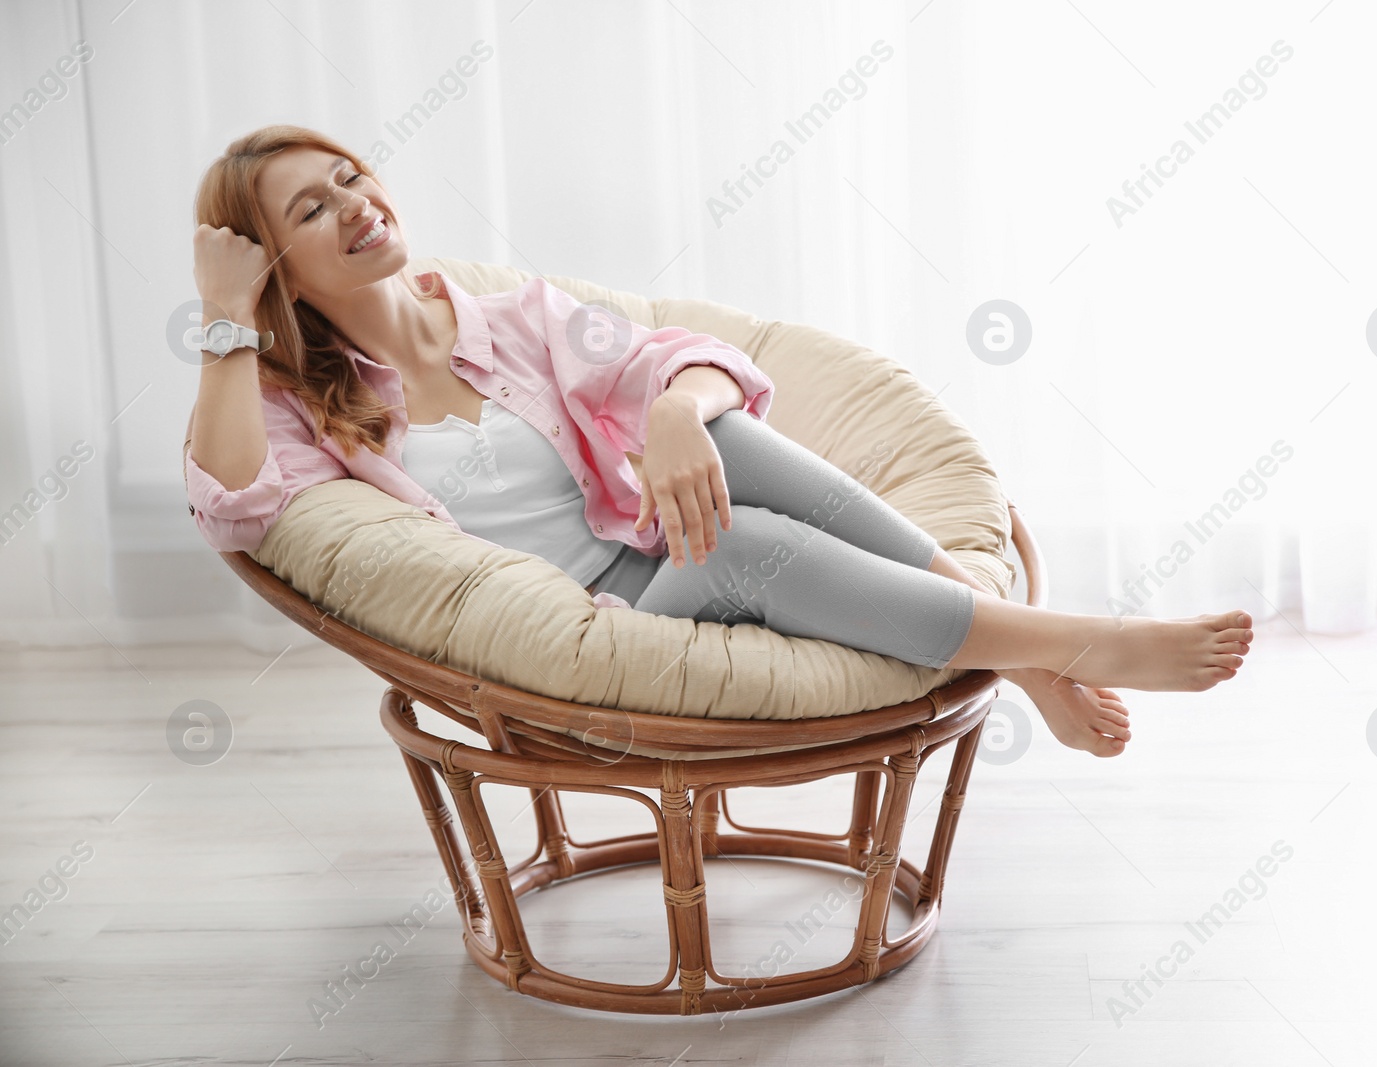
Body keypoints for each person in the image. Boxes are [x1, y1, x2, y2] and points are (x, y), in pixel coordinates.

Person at [184, 125, 1253, 760]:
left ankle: (1019, 649)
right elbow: (232, 502)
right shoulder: (305, 399)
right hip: (595, 616)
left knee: (718, 428)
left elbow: (677, 353)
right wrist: (225, 319)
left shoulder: (508, 316)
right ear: (277, 266)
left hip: (654, 538)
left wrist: (673, 413)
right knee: (732, 543)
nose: (356, 206)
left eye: (352, 178)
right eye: (313, 211)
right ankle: (1070, 641)